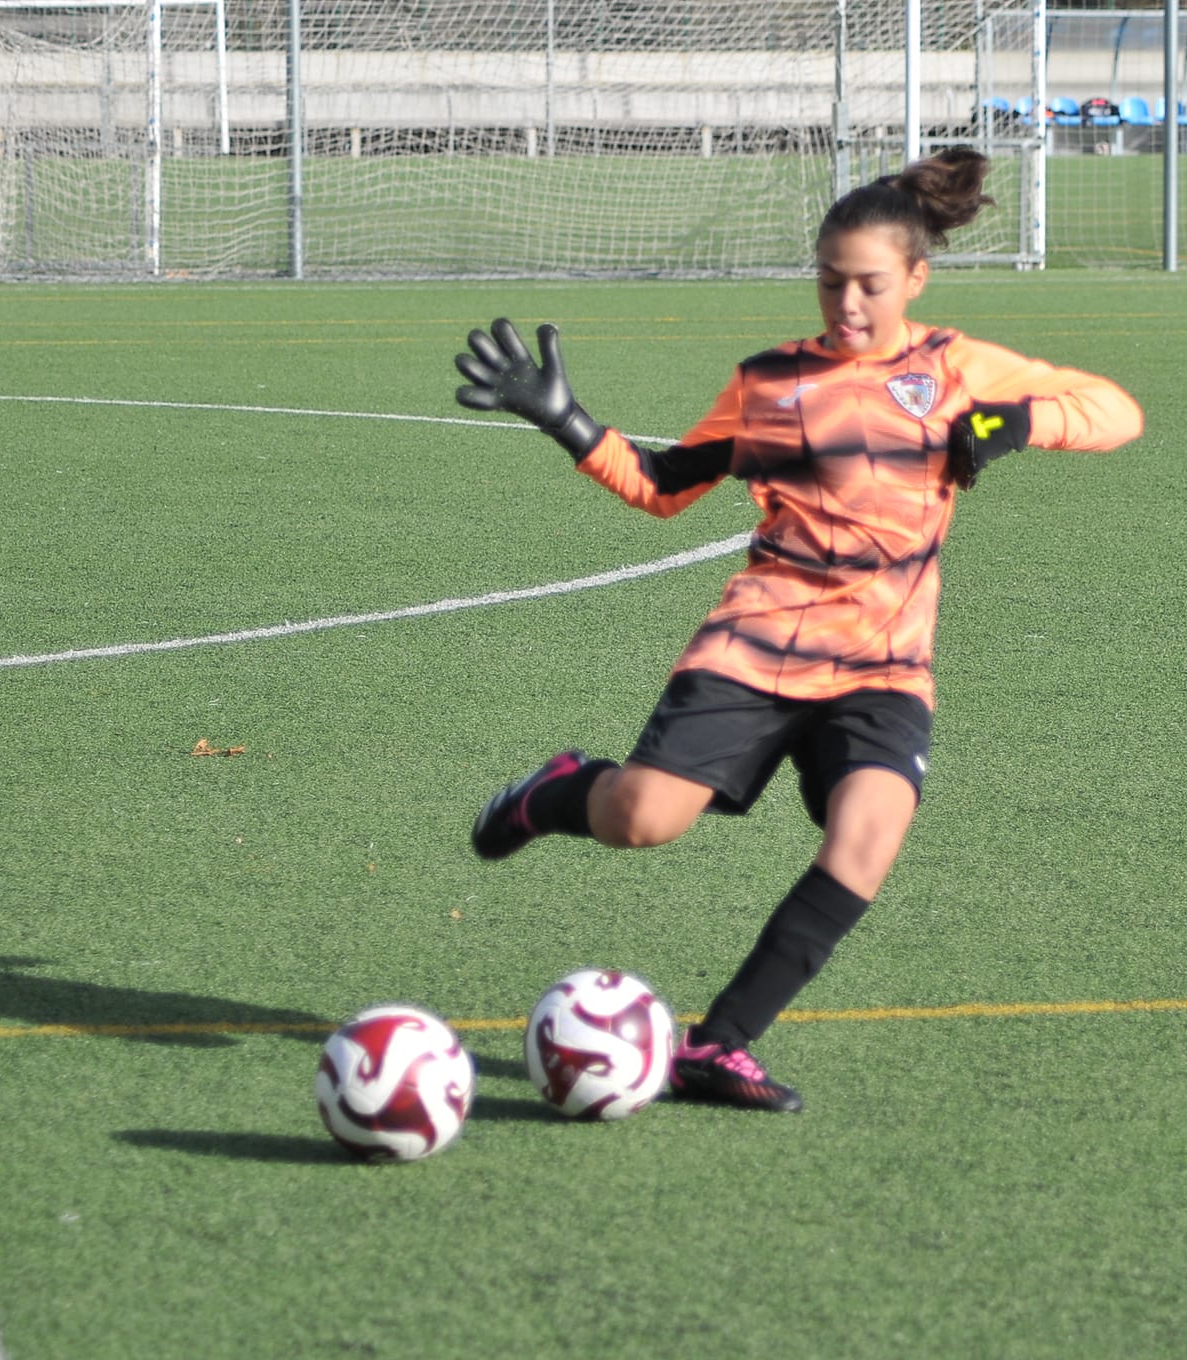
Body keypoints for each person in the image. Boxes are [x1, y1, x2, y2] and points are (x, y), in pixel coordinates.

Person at [451, 147, 1143, 1114]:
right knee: (641, 820)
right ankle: (557, 792)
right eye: (830, 283)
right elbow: (661, 487)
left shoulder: (954, 367)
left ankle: (716, 1047)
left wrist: (1015, 425)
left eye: (869, 285)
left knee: (869, 835)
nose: (848, 304)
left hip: (884, 664)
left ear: (915, 279)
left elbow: (1117, 410)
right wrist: (566, 422)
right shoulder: (771, 382)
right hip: (760, 644)